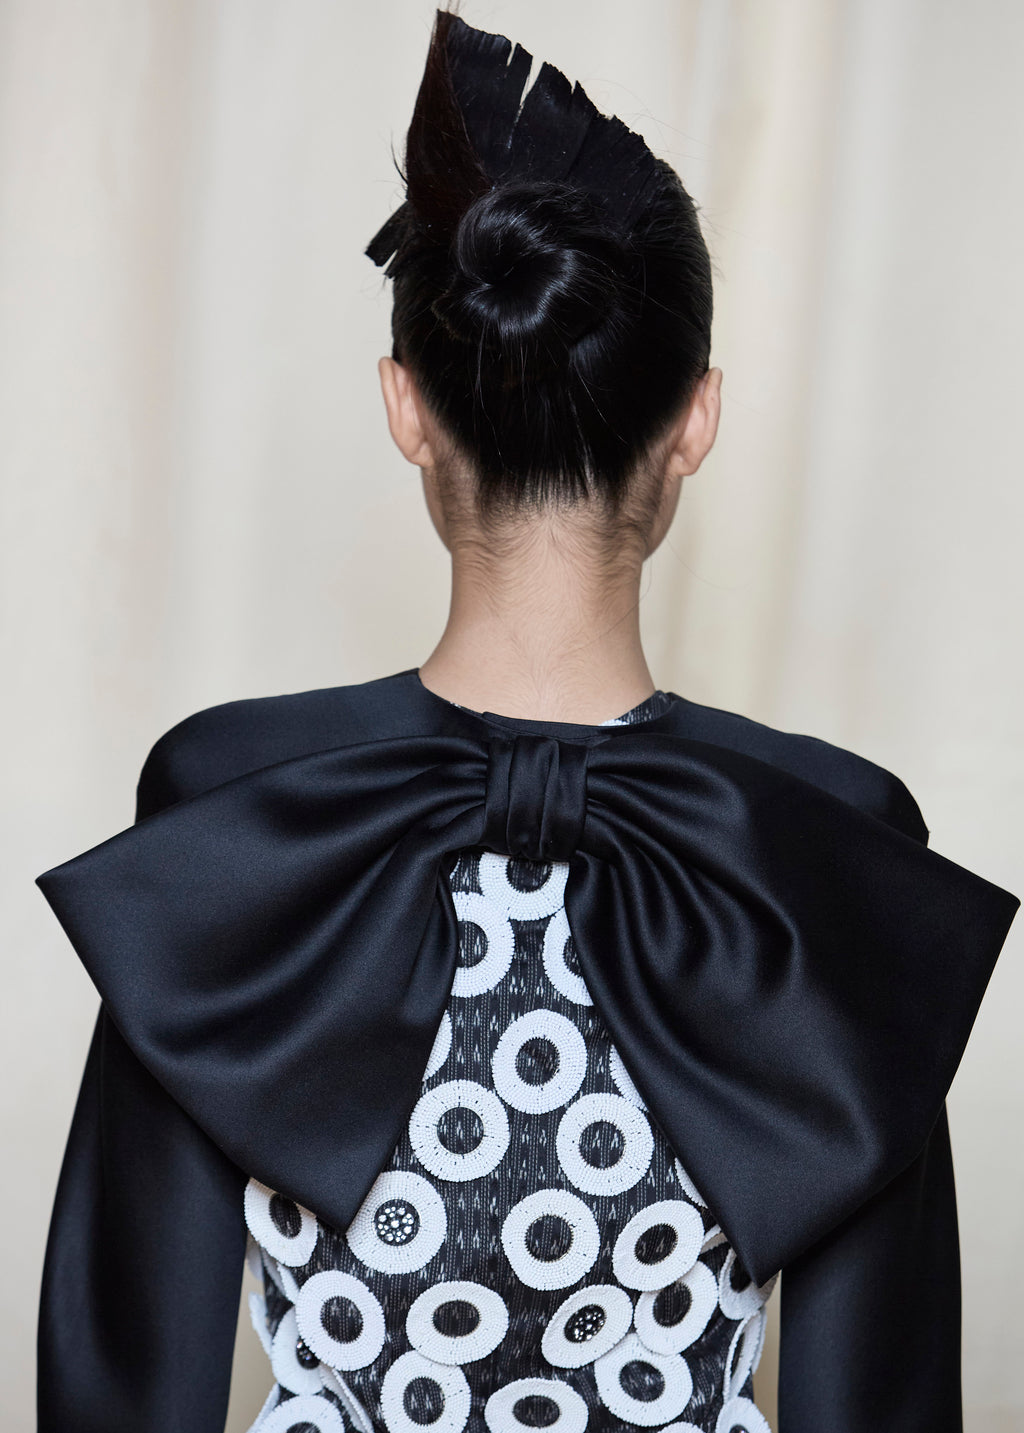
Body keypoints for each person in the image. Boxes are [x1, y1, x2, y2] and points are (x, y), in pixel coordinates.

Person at [34, 11, 1019, 1433]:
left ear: (405, 408)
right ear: (696, 421)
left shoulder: (239, 807)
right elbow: (881, 1394)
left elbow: (127, 1374)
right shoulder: (820, 841)